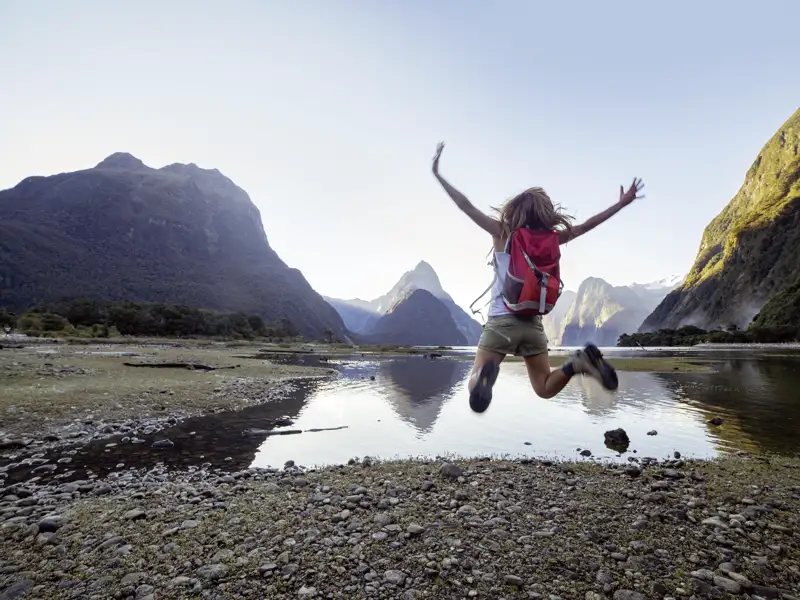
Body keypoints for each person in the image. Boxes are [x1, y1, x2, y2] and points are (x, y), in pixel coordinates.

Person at [431, 142, 644, 413]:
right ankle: (576, 364)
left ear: (516, 209)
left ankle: (484, 375)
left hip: (501, 322)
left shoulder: (501, 232)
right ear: (546, 212)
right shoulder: (554, 238)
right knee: (543, 387)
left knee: (475, 383)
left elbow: (465, 206)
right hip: (532, 324)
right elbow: (589, 224)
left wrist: (438, 175)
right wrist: (621, 204)